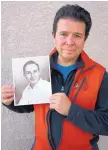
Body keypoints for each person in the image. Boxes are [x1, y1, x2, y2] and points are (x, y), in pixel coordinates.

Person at [1, 4, 108, 150]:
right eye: (63, 34)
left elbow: (106, 124)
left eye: (77, 36)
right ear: (54, 36)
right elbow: (30, 105)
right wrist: (11, 100)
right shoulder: (38, 67)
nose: (69, 42)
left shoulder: (100, 75)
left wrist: (71, 110)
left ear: (85, 38)